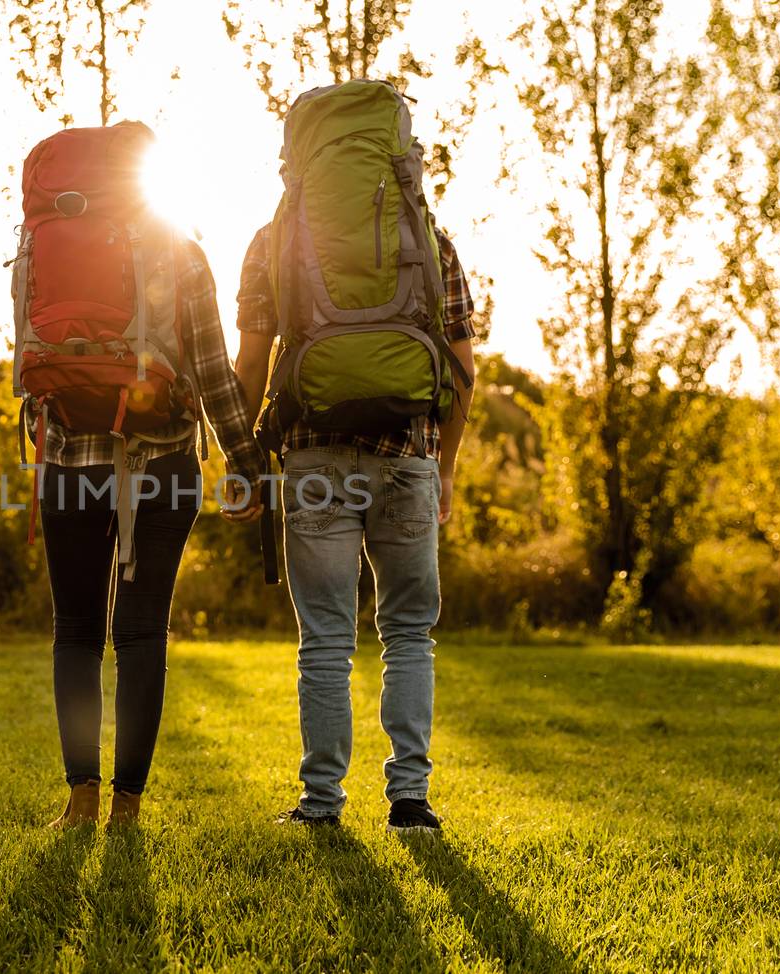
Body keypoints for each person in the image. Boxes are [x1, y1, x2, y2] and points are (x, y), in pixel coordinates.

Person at [233, 128, 478, 834]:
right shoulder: (427, 236)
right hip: (409, 455)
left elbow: (249, 367)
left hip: (313, 460)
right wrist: (447, 467)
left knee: (326, 640)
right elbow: (462, 368)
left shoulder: (272, 240)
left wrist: (240, 463)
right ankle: (410, 801)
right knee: (407, 633)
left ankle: (320, 805)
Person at [28, 201, 266, 831]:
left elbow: (32, 362)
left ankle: (79, 802)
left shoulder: (44, 242)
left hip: (67, 460)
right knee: (141, 631)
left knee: (75, 630)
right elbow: (215, 372)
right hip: (162, 462)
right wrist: (245, 462)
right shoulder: (180, 250)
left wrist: (45, 433)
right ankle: (125, 809)